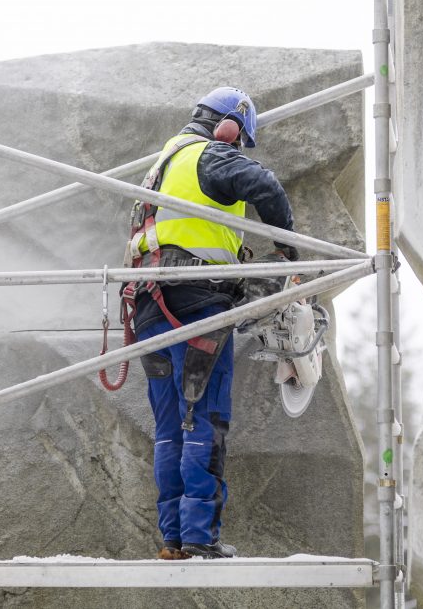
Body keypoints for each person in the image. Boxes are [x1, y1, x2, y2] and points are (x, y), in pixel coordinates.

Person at [126, 86, 297, 560]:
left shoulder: (160, 166)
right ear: (228, 126)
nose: (235, 149)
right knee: (203, 419)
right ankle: (201, 537)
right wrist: (285, 249)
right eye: (238, 139)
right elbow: (266, 187)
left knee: (168, 428)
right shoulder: (209, 155)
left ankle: (174, 540)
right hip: (195, 301)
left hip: (146, 305)